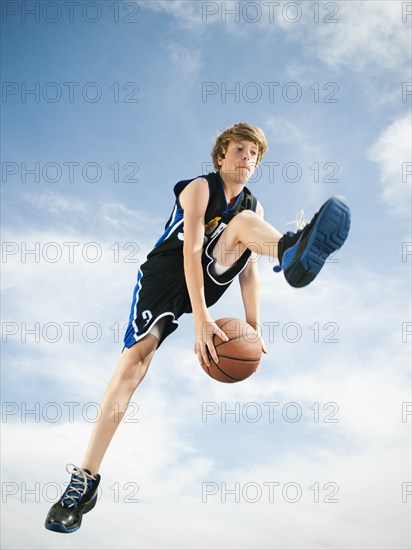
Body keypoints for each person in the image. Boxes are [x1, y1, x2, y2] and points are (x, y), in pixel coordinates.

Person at [44, 122, 350, 533]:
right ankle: (83, 484)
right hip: (166, 276)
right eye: (239, 150)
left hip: (211, 272)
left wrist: (254, 326)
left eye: (254, 155)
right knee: (131, 368)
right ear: (221, 156)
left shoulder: (252, 207)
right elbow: (189, 250)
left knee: (244, 224)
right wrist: (201, 319)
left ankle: (290, 250)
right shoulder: (198, 188)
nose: (247, 159)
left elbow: (247, 273)